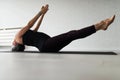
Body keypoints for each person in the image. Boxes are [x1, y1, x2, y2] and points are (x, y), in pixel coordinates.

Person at [12, 4, 115, 52]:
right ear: (15, 44)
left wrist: (43, 14)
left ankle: (101, 26)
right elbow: (29, 24)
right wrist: (40, 13)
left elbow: (35, 27)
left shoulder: (23, 38)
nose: (12, 43)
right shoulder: (17, 37)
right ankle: (100, 25)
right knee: (72, 34)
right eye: (12, 45)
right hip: (46, 45)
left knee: (72, 35)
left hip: (47, 45)